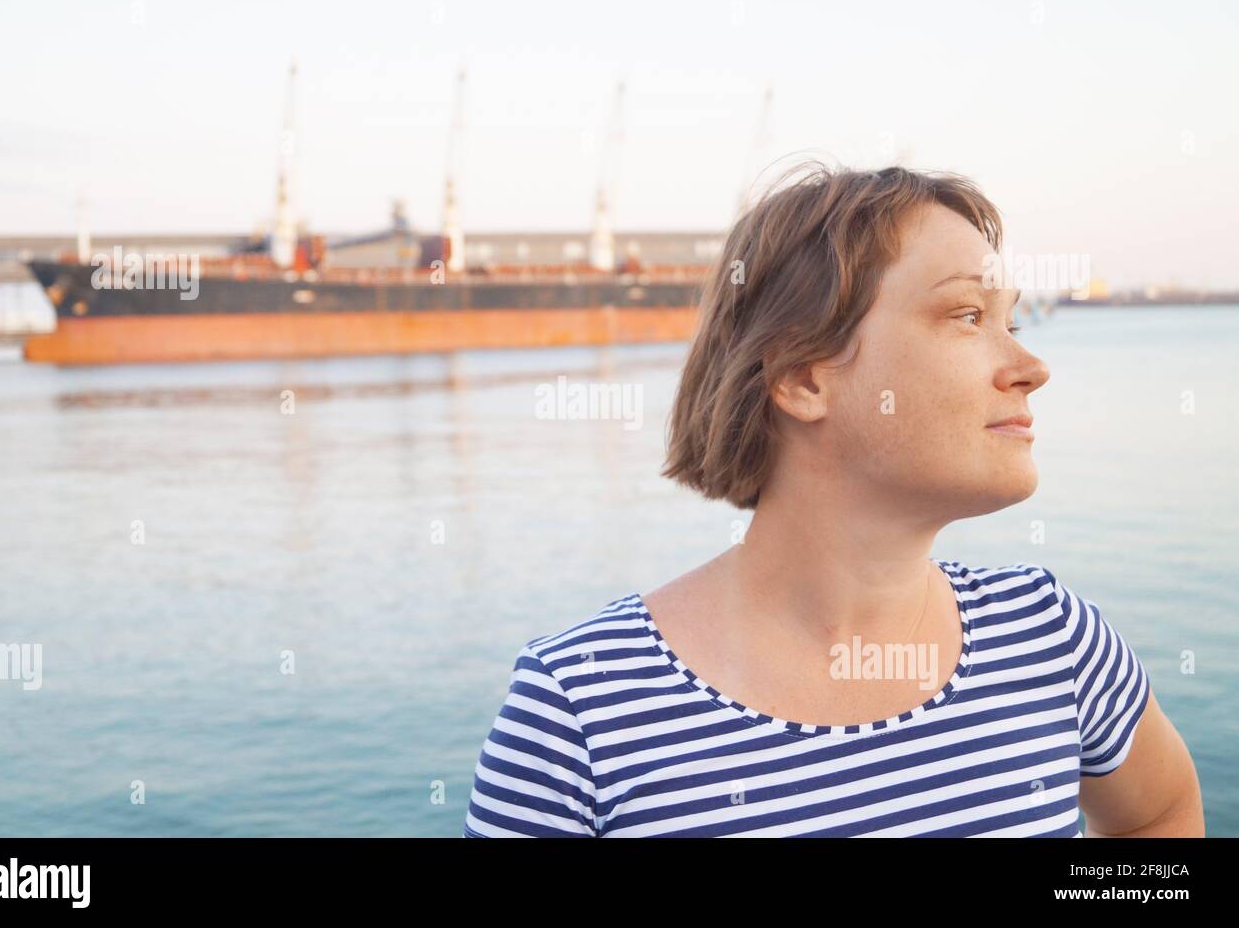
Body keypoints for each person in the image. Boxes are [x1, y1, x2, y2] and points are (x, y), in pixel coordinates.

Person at [462, 162, 1203, 837]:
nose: (1031, 366)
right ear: (804, 378)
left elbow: (1162, 813)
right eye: (969, 316)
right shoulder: (579, 712)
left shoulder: (1052, 637)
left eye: (1010, 321)